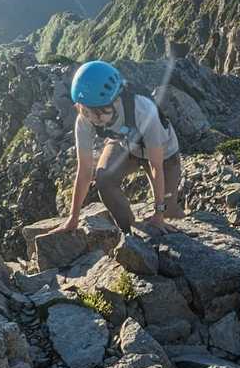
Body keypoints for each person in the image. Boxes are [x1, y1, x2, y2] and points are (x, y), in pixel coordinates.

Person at [47, 60, 183, 238]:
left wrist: (159, 213)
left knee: (169, 211)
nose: (94, 119)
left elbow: (156, 165)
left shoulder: (143, 109)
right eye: (86, 111)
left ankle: (181, 220)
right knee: (104, 178)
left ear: (116, 101)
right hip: (125, 144)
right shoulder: (85, 118)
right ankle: (129, 231)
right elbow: (85, 170)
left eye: (100, 114)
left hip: (164, 152)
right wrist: (73, 217)